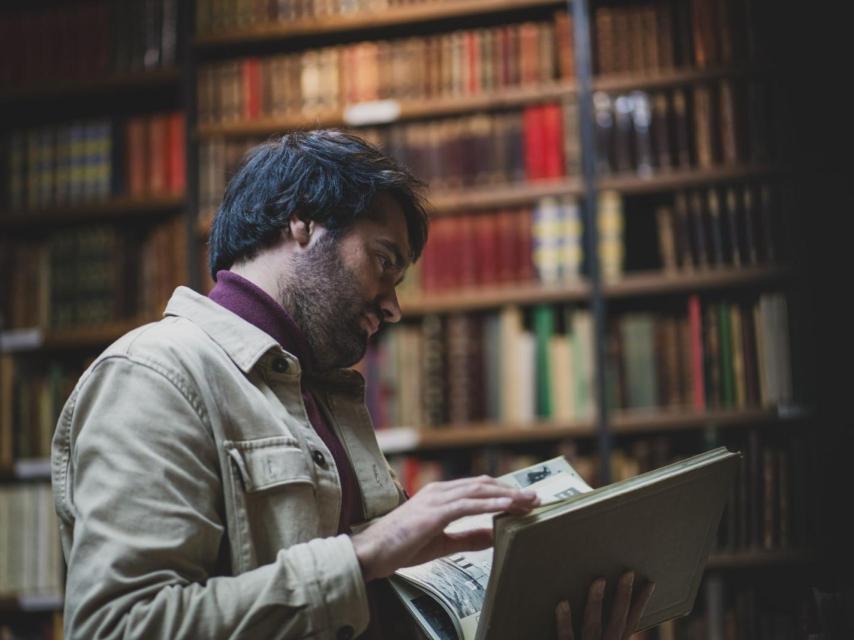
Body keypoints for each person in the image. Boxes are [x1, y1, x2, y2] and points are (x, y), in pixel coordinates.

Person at [51, 130, 651, 639]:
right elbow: (120, 625)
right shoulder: (155, 374)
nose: (393, 307)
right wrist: (365, 554)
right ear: (303, 222)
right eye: (385, 261)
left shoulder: (322, 392)